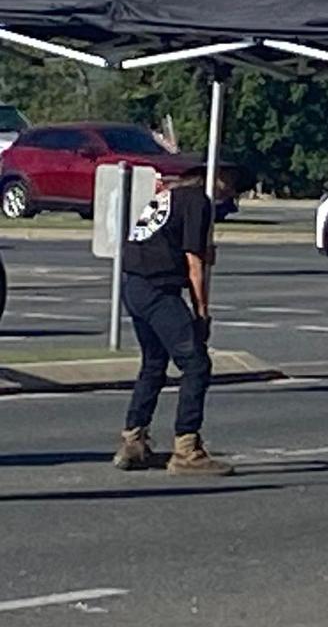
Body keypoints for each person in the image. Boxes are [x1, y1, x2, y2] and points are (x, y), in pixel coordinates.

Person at [112, 165, 234, 476]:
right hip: (157, 289)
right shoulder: (197, 202)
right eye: (229, 183)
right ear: (214, 179)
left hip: (134, 284)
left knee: (154, 362)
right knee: (196, 364)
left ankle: (133, 439)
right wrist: (201, 312)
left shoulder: (167, 197)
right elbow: (194, 262)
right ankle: (186, 449)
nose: (230, 192)